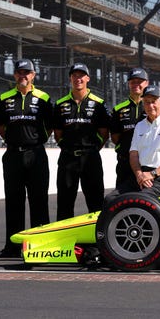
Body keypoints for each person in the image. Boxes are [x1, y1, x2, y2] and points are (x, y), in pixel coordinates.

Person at [0, 59, 52, 258]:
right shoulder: (5, 98)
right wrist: (12, 139)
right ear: (15, 75)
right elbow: (0, 126)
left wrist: (36, 140)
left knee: (39, 202)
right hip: (12, 155)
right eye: (19, 72)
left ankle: (40, 245)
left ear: (33, 75)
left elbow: (50, 125)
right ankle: (12, 247)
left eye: (27, 72)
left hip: (36, 154)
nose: (23, 76)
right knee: (13, 202)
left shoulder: (43, 97)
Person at [53, 63, 110, 220]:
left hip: (91, 158)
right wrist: (67, 147)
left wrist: (92, 149)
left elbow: (104, 133)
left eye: (81, 75)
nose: (78, 79)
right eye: (75, 75)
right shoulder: (60, 104)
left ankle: (96, 242)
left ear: (88, 78)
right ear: (70, 78)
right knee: (64, 203)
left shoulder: (99, 104)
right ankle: (65, 242)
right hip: (67, 159)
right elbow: (58, 134)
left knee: (96, 203)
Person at [109, 67, 148, 194]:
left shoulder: (152, 107)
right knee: (121, 197)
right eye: (133, 82)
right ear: (128, 84)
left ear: (146, 83)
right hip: (124, 162)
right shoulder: (119, 109)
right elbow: (114, 136)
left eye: (139, 81)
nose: (136, 84)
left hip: (147, 163)